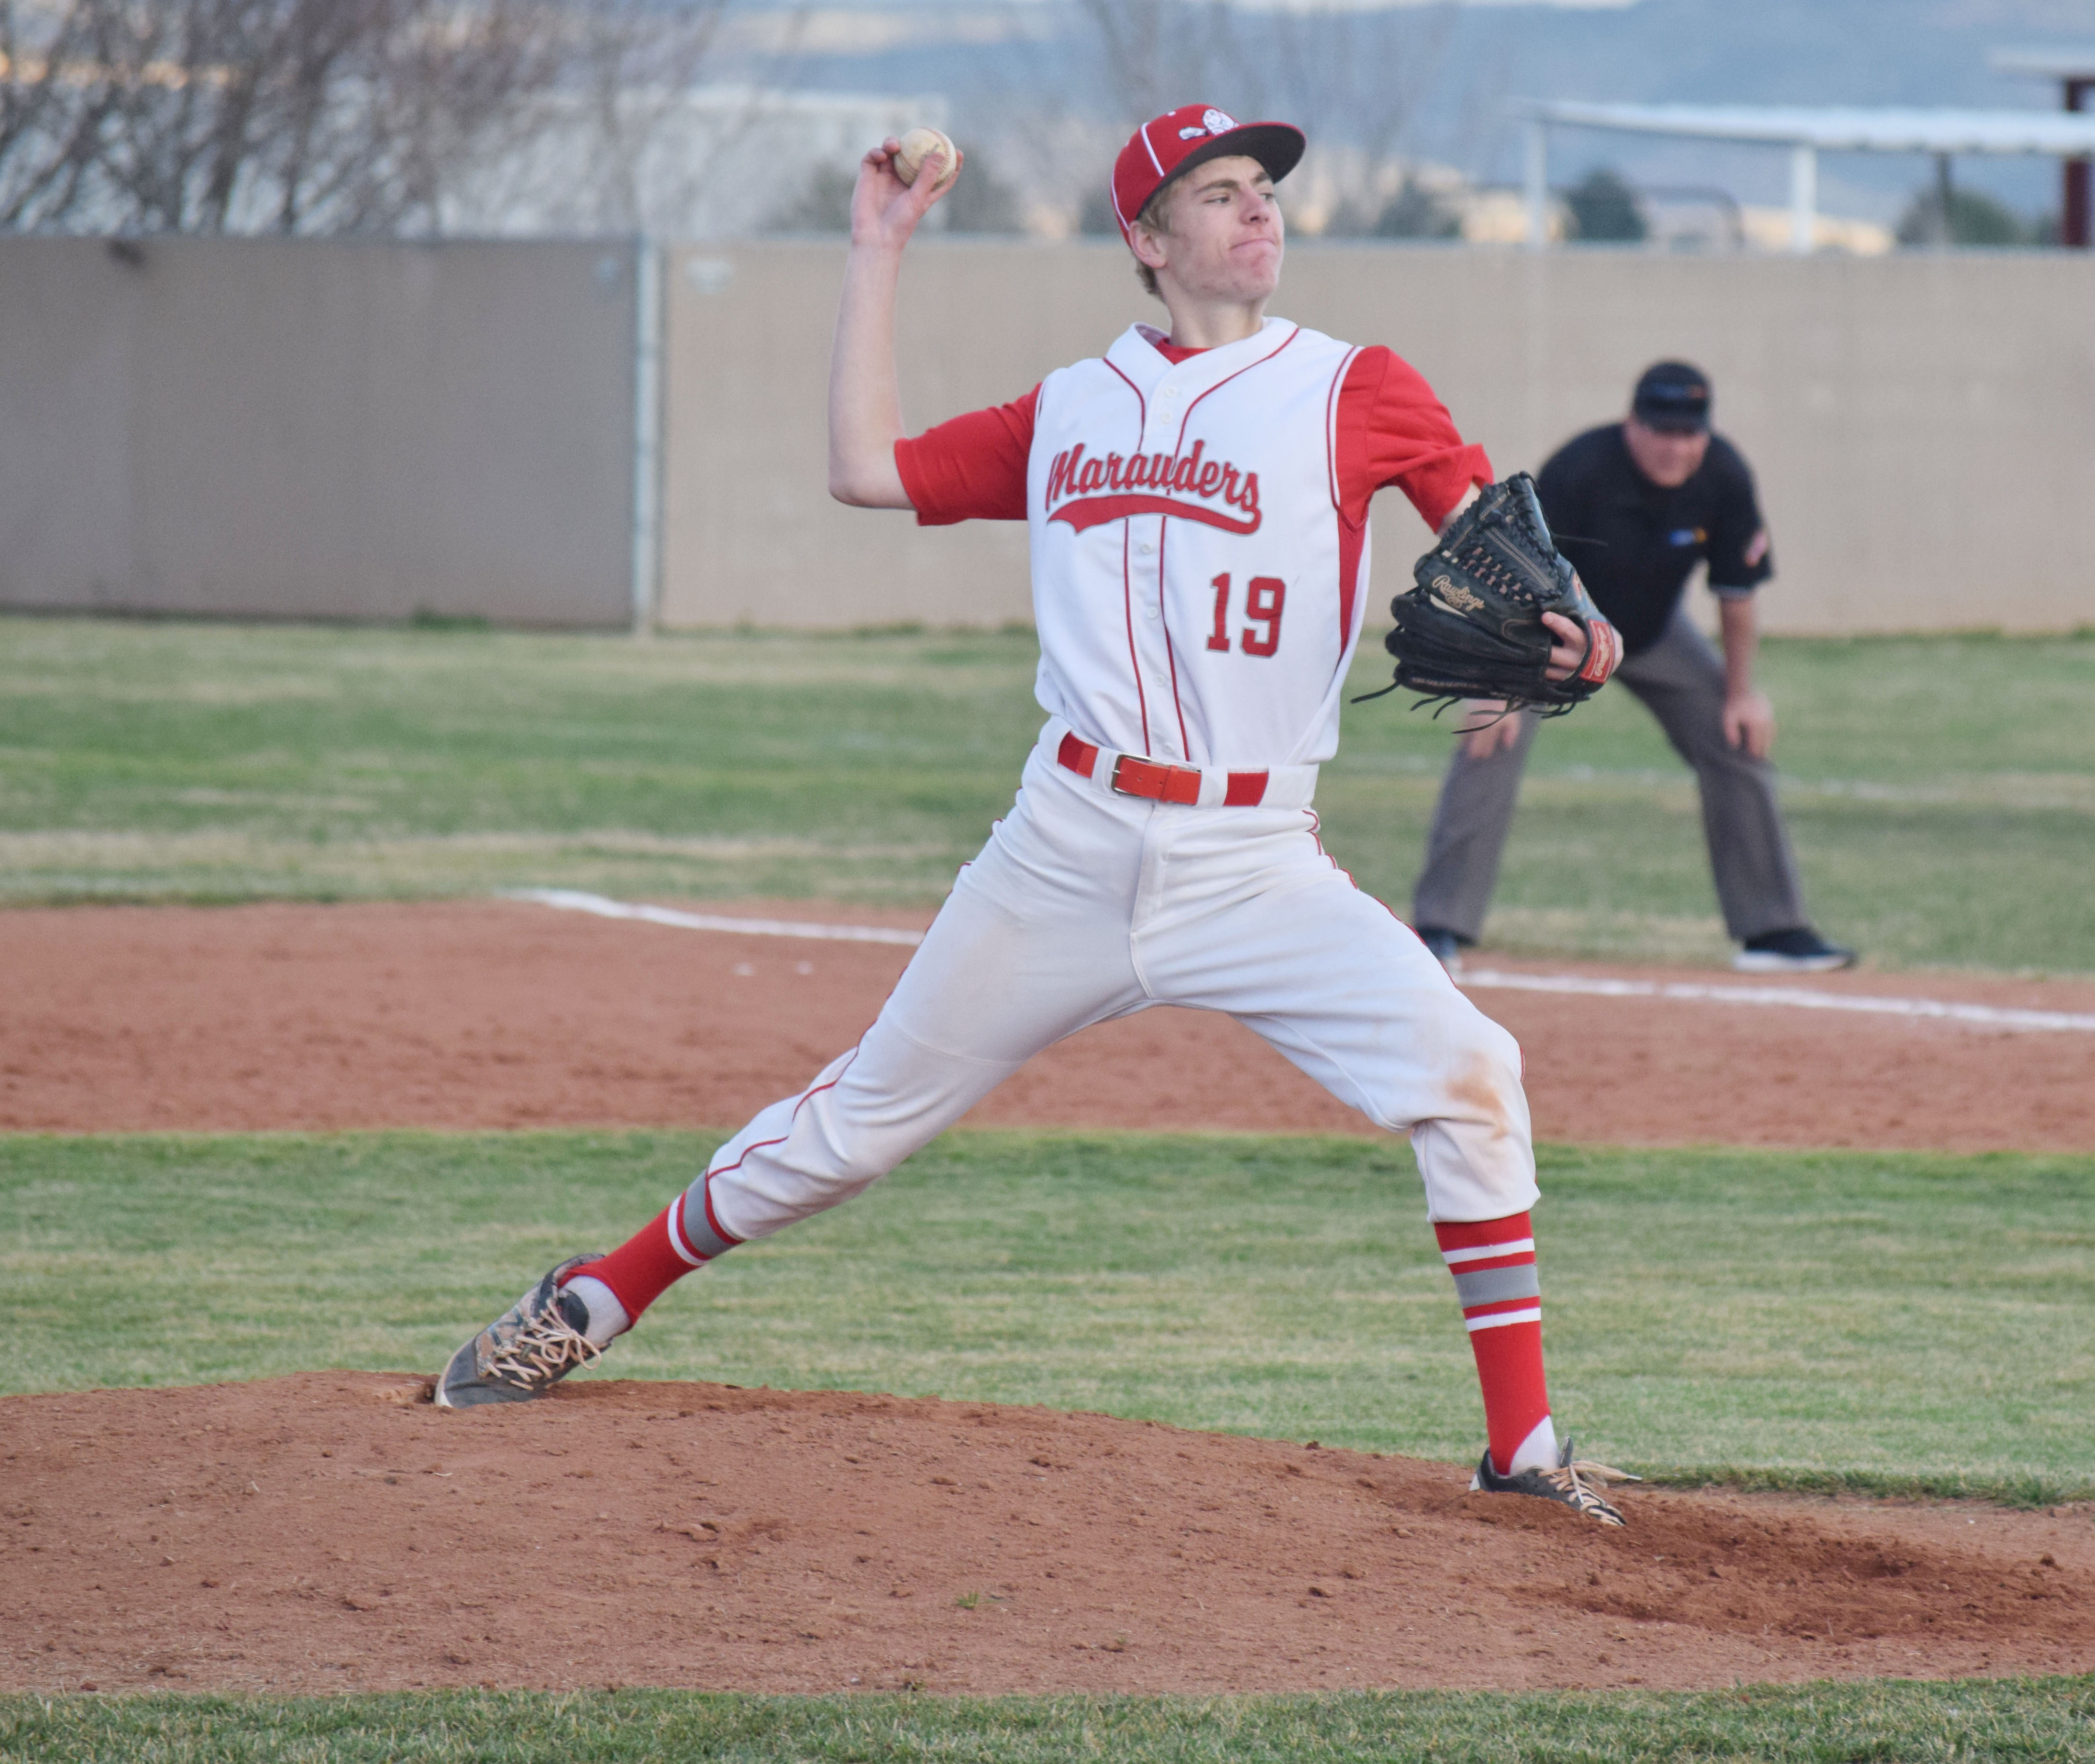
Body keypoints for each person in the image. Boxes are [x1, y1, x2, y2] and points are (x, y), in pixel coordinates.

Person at [430, 105, 1635, 1526]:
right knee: (853, 1128)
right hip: (1062, 845)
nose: (1259, 212)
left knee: (1472, 1072)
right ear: (1144, 237)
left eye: (1265, 190)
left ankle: (1522, 1448)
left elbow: (1490, 545)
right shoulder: (1070, 405)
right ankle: (587, 1296)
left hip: (1255, 862)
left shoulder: (1355, 386)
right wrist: (875, 247)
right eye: (1220, 191)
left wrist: (1577, 635)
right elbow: (865, 468)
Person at [1409, 362, 1855, 974]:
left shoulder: (1723, 475)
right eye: (1661, 430)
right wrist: (1492, 686)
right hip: (1553, 630)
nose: (1676, 446)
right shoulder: (1580, 471)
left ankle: (1773, 930)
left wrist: (1741, 693)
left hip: (1649, 631)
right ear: (1632, 426)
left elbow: (1737, 594)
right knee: (1491, 738)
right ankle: (1439, 926)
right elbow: (1512, 576)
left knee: (1738, 740)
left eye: (1689, 433)